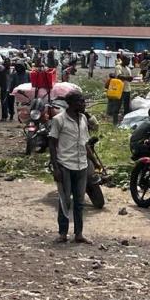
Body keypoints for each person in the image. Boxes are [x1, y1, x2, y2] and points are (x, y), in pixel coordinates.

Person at [49, 92, 92, 245]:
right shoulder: (58, 120)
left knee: (79, 202)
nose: (83, 104)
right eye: (81, 101)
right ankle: (63, 233)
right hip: (65, 164)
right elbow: (52, 145)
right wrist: (55, 168)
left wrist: (96, 163)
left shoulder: (83, 119)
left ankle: (79, 233)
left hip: (81, 165)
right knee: (65, 201)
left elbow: (85, 143)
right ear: (71, 103)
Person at [115, 55, 133, 119]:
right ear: (123, 60)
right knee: (118, 105)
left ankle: (126, 118)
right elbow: (119, 76)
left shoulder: (128, 68)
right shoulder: (118, 67)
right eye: (127, 60)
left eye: (129, 61)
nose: (128, 62)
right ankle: (116, 119)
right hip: (120, 89)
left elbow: (130, 79)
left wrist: (127, 78)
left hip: (127, 89)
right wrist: (127, 78)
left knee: (127, 106)